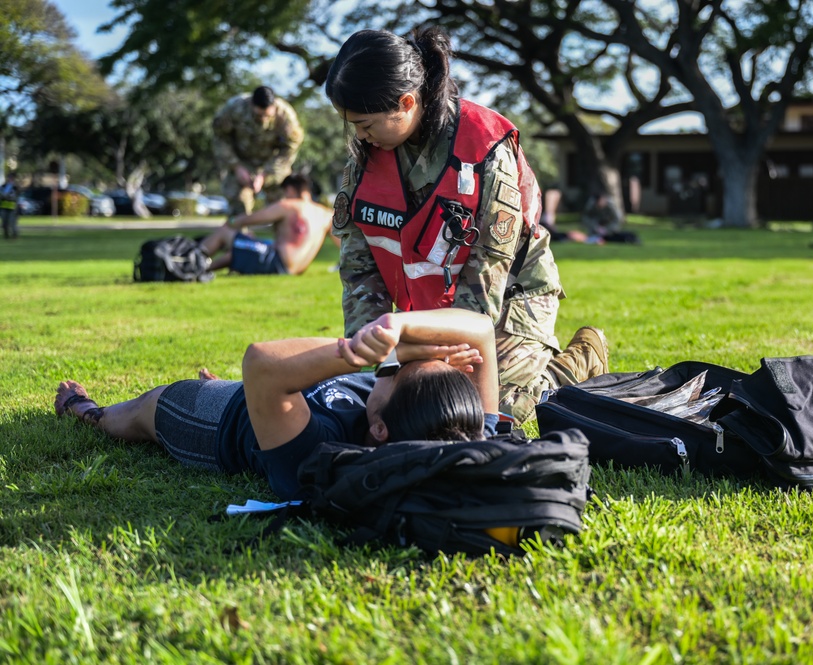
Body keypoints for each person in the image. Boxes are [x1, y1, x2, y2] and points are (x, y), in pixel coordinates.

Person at [325, 27, 608, 424]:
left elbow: (484, 285)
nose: (359, 135)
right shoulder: (368, 155)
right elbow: (359, 272)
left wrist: (436, 357)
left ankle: (578, 360)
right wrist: (384, 364)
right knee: (405, 402)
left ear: (406, 102)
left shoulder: (484, 151)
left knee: (490, 409)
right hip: (430, 307)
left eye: (366, 123)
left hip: (510, 299)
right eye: (351, 123)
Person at [54, 309, 500, 501]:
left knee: (136, 412)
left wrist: (389, 353)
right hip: (286, 395)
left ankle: (83, 409)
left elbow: (262, 363)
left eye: (402, 375)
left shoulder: (320, 459)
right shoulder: (467, 432)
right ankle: (256, 397)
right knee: (268, 388)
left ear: (380, 429)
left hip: (217, 421)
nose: (423, 356)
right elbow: (480, 329)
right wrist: (401, 330)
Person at [197, 173, 337, 276]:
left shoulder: (289, 206)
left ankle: (192, 261)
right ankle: (203, 268)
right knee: (244, 245)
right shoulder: (326, 214)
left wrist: (232, 222)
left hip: (278, 263)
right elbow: (342, 244)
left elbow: (252, 219)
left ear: (290, 190)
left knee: (225, 232)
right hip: (296, 269)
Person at [213, 85, 305, 221]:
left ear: (274, 106)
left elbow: (290, 147)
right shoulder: (234, 108)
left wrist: (265, 174)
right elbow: (220, 138)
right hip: (241, 162)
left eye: (267, 116)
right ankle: (238, 237)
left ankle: (283, 239)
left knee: (283, 203)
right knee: (238, 202)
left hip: (273, 164)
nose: (263, 120)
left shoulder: (285, 115)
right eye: (259, 115)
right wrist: (236, 166)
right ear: (251, 104)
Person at [1, 173, 19, 240]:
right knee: (4, 223)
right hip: (4, 207)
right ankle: (6, 235)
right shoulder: (3, 186)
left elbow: (14, 196)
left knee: (12, 223)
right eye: (9, 178)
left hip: (12, 208)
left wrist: (7, 195)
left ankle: (14, 235)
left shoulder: (15, 187)